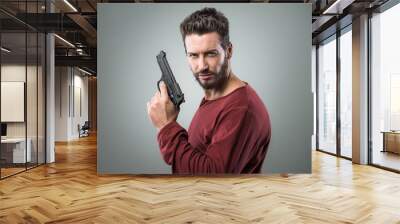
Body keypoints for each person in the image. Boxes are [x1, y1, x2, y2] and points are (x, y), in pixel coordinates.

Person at [147, 7, 271, 174]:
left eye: (211, 54)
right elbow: (189, 155)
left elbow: (213, 178)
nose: (202, 66)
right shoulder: (214, 96)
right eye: (193, 55)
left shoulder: (240, 109)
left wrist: (166, 126)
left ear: (229, 51)